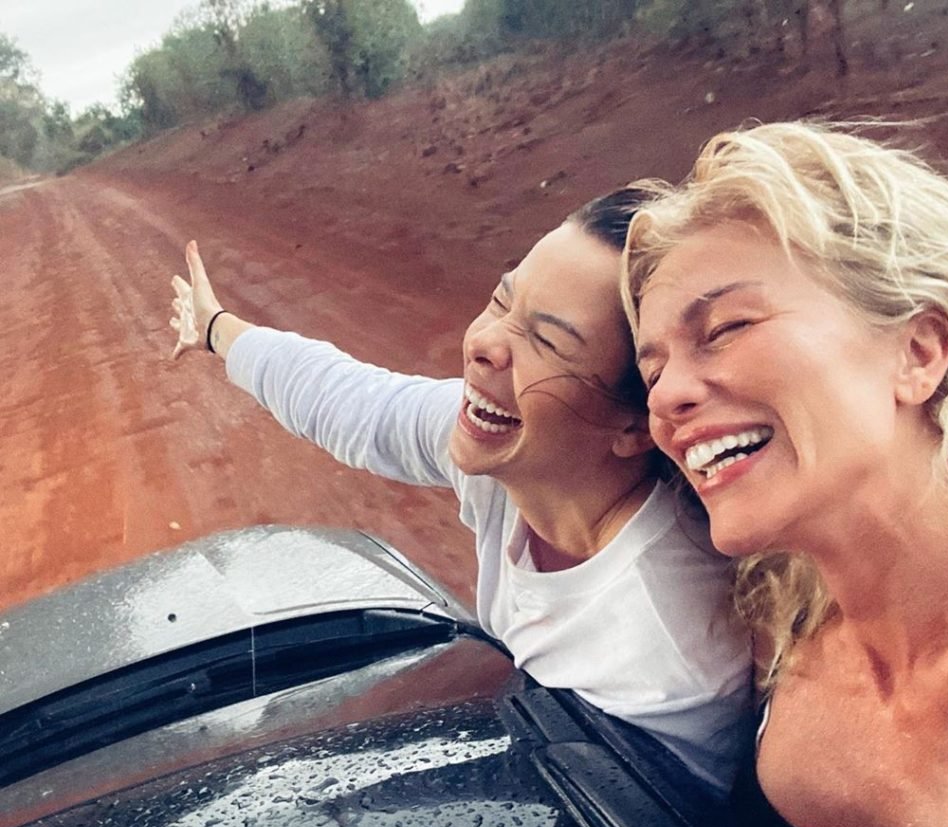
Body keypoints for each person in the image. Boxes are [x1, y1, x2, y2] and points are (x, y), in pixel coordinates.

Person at [624, 121, 948, 827]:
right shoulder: (778, 628)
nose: (670, 397)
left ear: (918, 352)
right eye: (652, 371)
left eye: (724, 328)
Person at [168, 187, 753, 794]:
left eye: (547, 342)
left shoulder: (667, 653)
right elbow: (356, 404)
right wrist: (217, 329)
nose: (484, 343)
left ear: (635, 425)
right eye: (502, 301)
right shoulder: (514, 462)